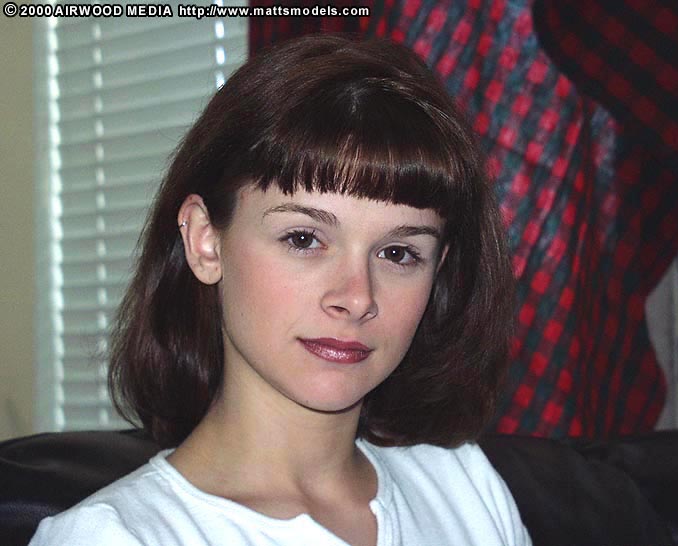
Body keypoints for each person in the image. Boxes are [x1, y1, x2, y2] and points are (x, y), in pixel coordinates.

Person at [29, 35, 531, 546]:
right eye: (304, 239)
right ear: (205, 242)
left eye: (398, 253)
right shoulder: (115, 536)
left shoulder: (464, 489)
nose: (357, 298)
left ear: (437, 270)